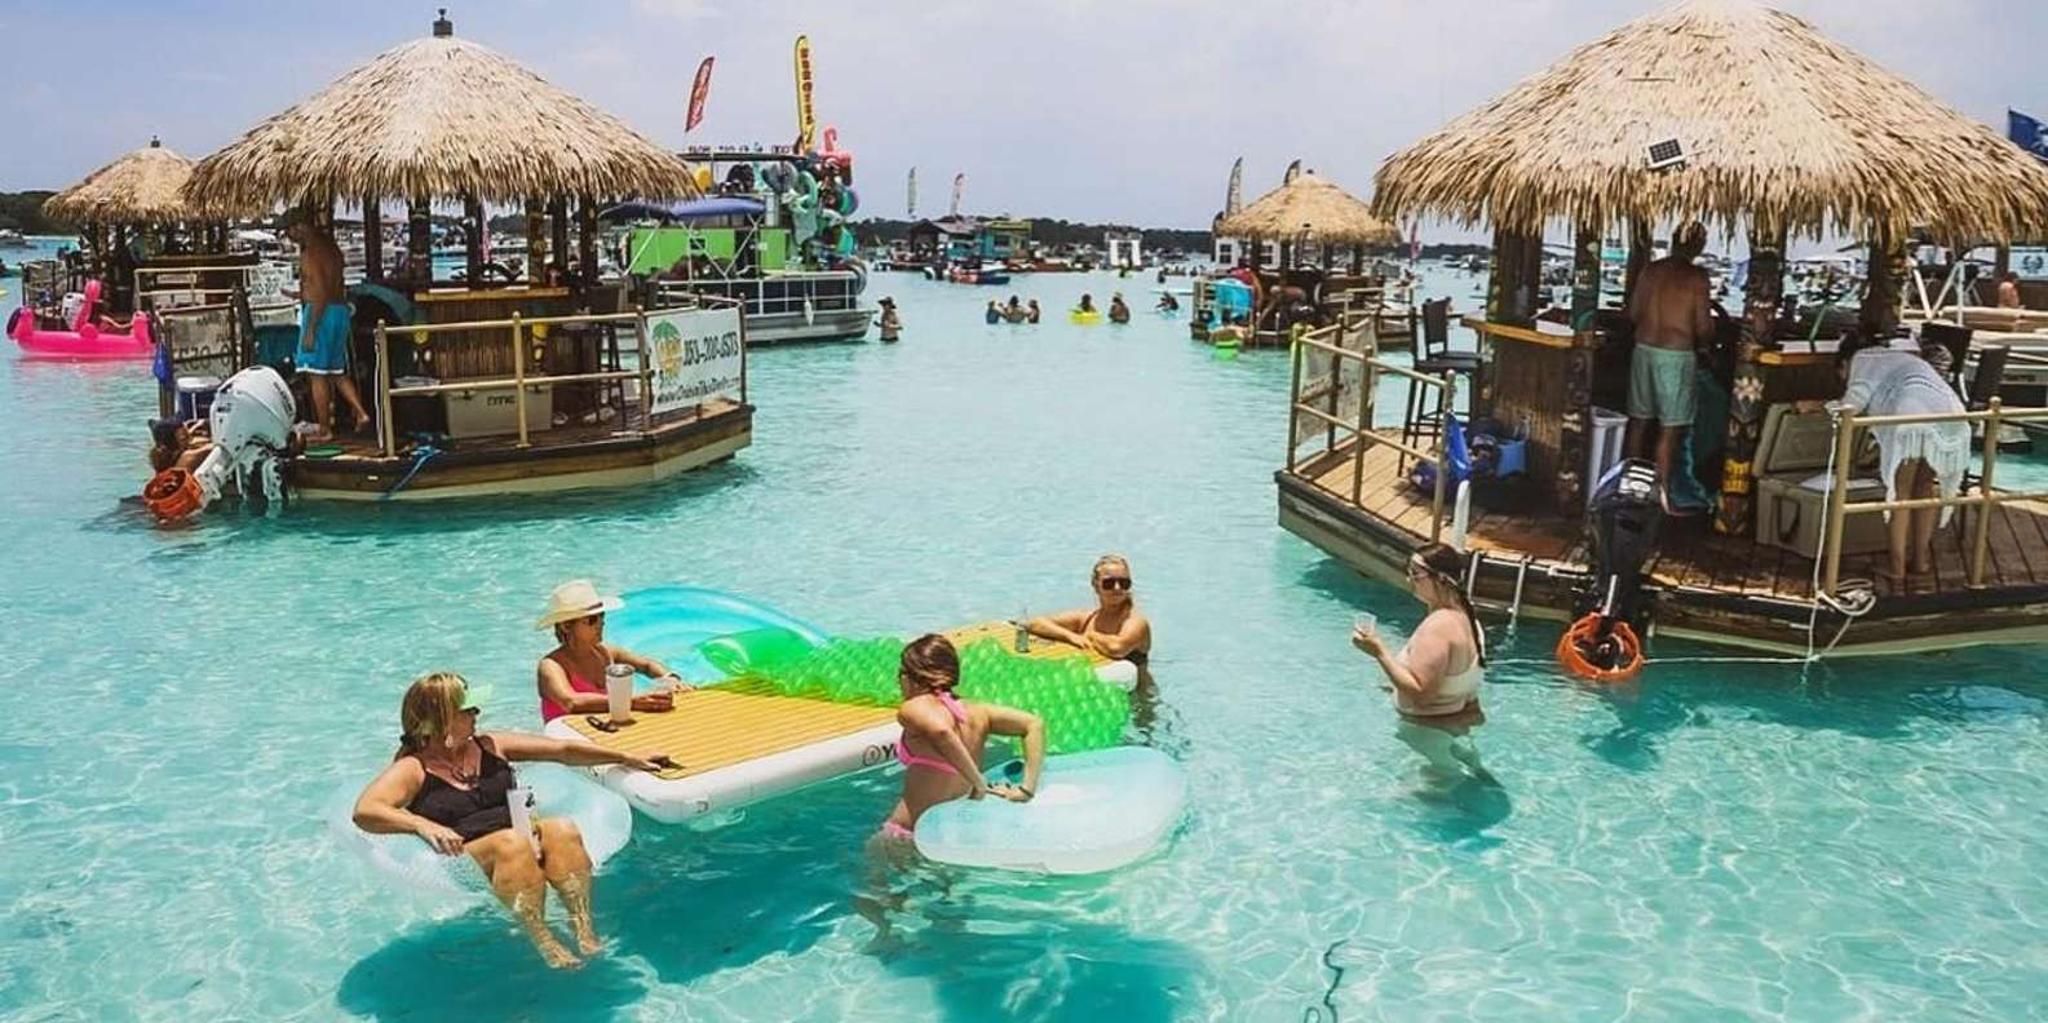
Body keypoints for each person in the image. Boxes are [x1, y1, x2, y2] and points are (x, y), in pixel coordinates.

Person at [351, 672, 672, 968]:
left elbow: (562, 750)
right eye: (468, 709)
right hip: (468, 856)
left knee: (560, 828)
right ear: (442, 718)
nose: (477, 713)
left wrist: (627, 757)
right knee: (511, 842)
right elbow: (366, 810)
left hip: (517, 837)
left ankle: (582, 925)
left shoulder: (490, 745)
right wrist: (423, 825)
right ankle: (542, 938)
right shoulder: (413, 768)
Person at [877, 635, 1044, 844]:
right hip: (951, 837)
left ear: (909, 676)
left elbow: (942, 732)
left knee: (874, 861)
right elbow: (1034, 725)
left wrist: (979, 783)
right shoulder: (978, 712)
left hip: (906, 833)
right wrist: (1026, 790)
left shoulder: (914, 707)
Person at [1831, 337, 1969, 583]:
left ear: (1844, 363)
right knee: (1924, 487)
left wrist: (1825, 406)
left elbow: (1853, 403)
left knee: (1901, 491)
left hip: (1912, 414)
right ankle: (1921, 561)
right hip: (1950, 411)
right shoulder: (1900, 357)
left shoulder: (1862, 359)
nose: (1843, 380)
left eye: (1841, 375)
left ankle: (1896, 568)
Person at [1352, 543, 1493, 781]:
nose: (1409, 580)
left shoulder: (1438, 628)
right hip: (1446, 728)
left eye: (1416, 574)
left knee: (1423, 795)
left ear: (1441, 579)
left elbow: (1422, 695)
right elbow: (1461, 679)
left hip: (1424, 732)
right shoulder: (1468, 620)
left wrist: (1379, 651)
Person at [1624, 221, 1712, 508]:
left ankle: (1628, 489)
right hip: (1675, 356)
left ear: (1674, 241)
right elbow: (1703, 325)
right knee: (1669, 430)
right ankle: (1659, 498)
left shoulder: (1650, 271)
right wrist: (1706, 344)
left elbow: (1634, 313)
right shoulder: (1697, 277)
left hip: (1643, 349)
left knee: (1639, 423)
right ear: (1699, 246)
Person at [534, 580, 691, 723]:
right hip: (568, 737)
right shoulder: (551, 666)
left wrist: (670, 678)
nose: (601, 623)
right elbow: (571, 703)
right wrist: (632, 702)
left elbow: (647, 665)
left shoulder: (606, 653)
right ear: (566, 626)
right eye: (592, 620)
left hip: (604, 732)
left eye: (602, 616)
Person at [286, 212, 373, 440]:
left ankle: (324, 429)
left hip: (320, 313)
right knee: (336, 372)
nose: (289, 237)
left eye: (289, 231)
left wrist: (311, 329)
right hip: (339, 311)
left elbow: (320, 291)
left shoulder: (310, 253)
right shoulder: (332, 248)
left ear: (300, 226)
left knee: (316, 374)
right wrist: (299, 294)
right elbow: (328, 284)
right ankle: (361, 413)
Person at [1022, 554, 1152, 671]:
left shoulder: (1135, 621)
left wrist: (1090, 636)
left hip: (1138, 690)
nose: (1117, 588)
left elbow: (1117, 648)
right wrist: (1071, 636)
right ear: (1095, 585)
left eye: (1124, 583)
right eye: (1109, 583)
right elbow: (1034, 623)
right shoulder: (1087, 619)